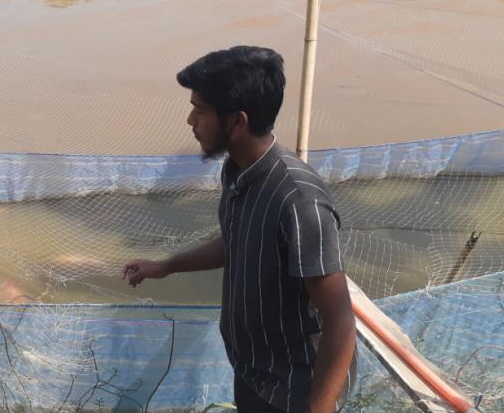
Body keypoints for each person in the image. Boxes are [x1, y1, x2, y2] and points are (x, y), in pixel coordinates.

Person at [121, 46, 356, 413]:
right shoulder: (237, 171)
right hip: (251, 374)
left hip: (295, 393)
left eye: (200, 110)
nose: (190, 120)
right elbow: (238, 241)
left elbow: (340, 321)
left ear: (237, 122)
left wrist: (318, 408)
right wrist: (166, 266)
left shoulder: (299, 202)